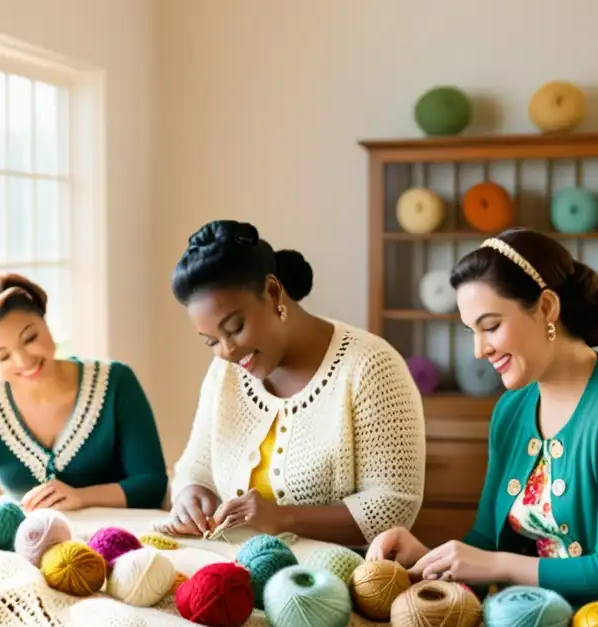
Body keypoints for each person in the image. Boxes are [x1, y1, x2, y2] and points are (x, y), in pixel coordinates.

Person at [368, 228, 598, 614]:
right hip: (544, 623)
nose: (479, 350)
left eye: (491, 326)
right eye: (471, 331)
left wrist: (495, 565)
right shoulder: (512, 409)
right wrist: (430, 558)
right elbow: (487, 541)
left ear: (547, 307)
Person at [160, 219, 427, 547]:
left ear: (273, 292)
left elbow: (394, 506)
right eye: (211, 341)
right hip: (232, 567)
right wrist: (190, 494)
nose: (227, 351)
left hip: (334, 582)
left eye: (235, 327)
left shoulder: (369, 366)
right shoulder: (225, 373)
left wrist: (282, 517)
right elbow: (194, 467)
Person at [0, 272, 168, 526]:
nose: (24, 360)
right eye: (3, 356)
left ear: (45, 322)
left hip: (119, 547)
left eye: (30, 337)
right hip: (26, 556)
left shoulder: (115, 382)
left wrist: (81, 496)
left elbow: (151, 484)